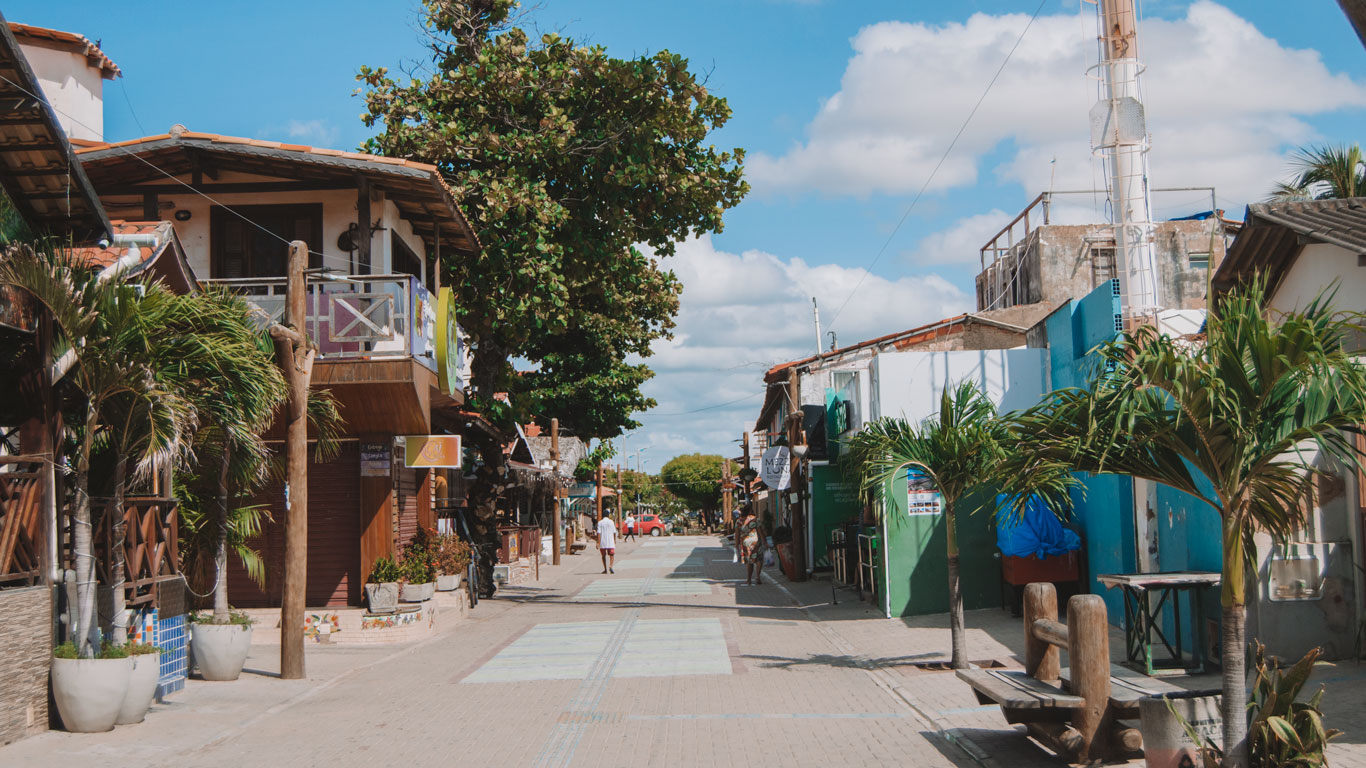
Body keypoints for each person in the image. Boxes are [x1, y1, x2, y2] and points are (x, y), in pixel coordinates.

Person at [739, 508, 765, 585]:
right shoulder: (756, 520)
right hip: (755, 542)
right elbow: (760, 532)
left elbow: (737, 533)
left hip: (746, 542)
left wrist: (737, 544)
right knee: (758, 559)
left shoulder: (740, 521)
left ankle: (749, 580)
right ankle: (758, 576)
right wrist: (765, 542)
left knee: (749, 561)